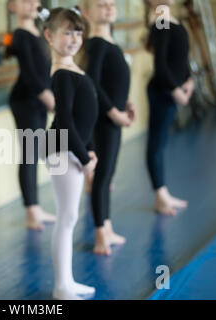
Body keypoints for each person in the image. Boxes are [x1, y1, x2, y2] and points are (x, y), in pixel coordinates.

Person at [41, 6, 98, 300]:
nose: (74, 38)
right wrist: (86, 159)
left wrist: (88, 150)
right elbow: (64, 121)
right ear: (50, 36)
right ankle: (61, 286)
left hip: (72, 149)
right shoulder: (62, 73)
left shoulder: (73, 68)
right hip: (62, 149)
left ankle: (68, 280)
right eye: (67, 32)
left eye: (78, 31)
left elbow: (80, 119)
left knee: (70, 217)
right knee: (67, 217)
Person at [80, 0, 136, 255]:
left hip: (113, 116)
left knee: (108, 173)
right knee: (102, 176)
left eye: (111, 3)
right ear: (87, 12)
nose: (108, 7)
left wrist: (125, 104)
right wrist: (114, 112)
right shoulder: (96, 43)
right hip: (103, 120)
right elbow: (92, 83)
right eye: (101, 4)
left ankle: (107, 227)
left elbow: (113, 82)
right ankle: (100, 233)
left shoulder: (110, 41)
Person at [6, 0, 56, 231]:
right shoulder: (20, 35)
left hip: (38, 100)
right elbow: (29, 72)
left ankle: (35, 206)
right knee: (29, 154)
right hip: (26, 101)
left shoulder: (39, 31)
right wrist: (47, 97)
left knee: (34, 154)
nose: (32, 4)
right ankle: (31, 211)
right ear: (12, 6)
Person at [144, 0, 193, 215]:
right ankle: (160, 195)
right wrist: (176, 90)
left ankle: (163, 193)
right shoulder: (161, 22)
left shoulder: (171, 19)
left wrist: (189, 80)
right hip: (163, 93)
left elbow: (181, 57)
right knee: (156, 144)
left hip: (174, 91)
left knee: (161, 143)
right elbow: (161, 64)